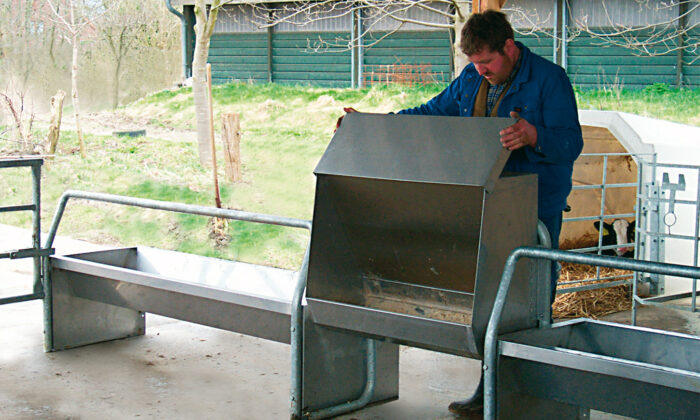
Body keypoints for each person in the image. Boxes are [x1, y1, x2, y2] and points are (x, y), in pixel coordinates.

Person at [338, 9, 583, 416]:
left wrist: (533, 134)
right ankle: (491, 390)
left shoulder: (549, 79)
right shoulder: (472, 78)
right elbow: (432, 113)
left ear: (509, 47)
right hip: (484, 202)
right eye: (475, 64)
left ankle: (535, 393)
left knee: (531, 305)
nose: (482, 71)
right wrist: (374, 125)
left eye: (487, 62)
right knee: (490, 302)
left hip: (533, 212)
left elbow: (570, 144)